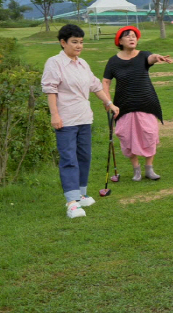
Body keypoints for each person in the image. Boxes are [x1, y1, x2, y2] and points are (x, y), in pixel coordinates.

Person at [42, 24, 120, 219]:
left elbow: (95, 86)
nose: (79, 46)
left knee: (84, 156)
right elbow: (51, 90)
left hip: (84, 117)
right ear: (63, 43)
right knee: (69, 159)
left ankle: (81, 194)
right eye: (74, 42)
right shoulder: (54, 63)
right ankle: (71, 202)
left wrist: (109, 103)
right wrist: (54, 115)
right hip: (65, 120)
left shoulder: (83, 63)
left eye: (81, 42)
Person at [102, 26, 172, 181]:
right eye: (127, 36)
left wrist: (157, 57)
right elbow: (106, 82)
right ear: (120, 41)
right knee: (126, 137)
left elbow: (151, 58)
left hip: (146, 102)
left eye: (134, 36)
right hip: (124, 105)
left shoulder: (143, 55)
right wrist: (108, 101)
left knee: (150, 134)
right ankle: (136, 170)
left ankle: (149, 169)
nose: (132, 38)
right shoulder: (113, 61)